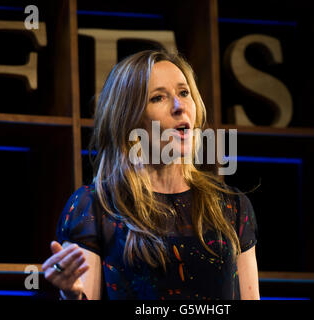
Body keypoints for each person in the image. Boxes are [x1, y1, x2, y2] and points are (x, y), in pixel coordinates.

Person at [42, 49, 260, 300]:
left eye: (184, 92)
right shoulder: (95, 206)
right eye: (158, 98)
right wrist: (70, 295)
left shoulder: (232, 206)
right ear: (129, 119)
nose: (179, 107)